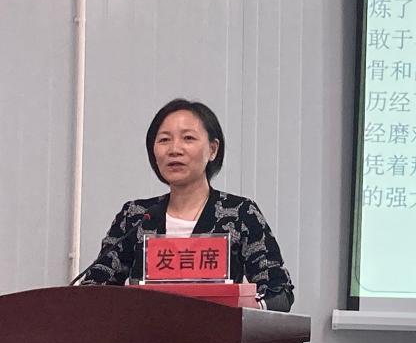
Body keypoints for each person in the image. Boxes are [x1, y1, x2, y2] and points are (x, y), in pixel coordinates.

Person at [80, 98, 294, 311]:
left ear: (213, 150)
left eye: (188, 138)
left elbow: (279, 292)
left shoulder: (239, 213)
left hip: (216, 331)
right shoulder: (136, 216)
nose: (174, 149)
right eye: (164, 140)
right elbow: (95, 287)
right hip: (145, 331)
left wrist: (243, 308)